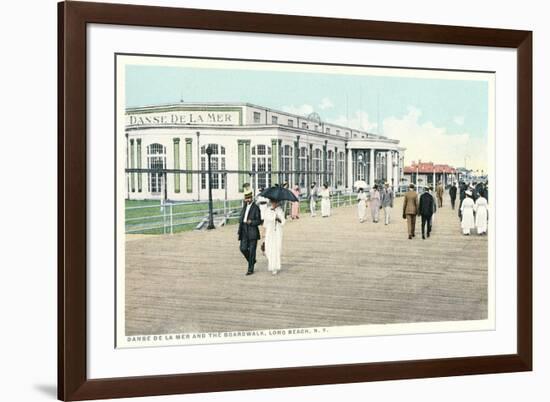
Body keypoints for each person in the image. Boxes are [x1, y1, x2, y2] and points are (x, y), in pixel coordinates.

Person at [238, 190, 262, 275]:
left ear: (252, 198)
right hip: (244, 230)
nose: (247, 200)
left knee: (252, 251)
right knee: (242, 248)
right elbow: (241, 217)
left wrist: (251, 222)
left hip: (252, 231)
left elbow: (259, 221)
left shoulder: (256, 208)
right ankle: (252, 261)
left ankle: (250, 269)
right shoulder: (244, 206)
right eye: (246, 198)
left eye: (249, 198)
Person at [263, 199, 286, 275]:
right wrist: (264, 232)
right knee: (268, 248)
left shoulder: (279, 210)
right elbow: (265, 222)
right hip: (269, 231)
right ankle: (271, 263)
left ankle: (275, 267)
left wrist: (277, 218)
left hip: (277, 232)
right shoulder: (267, 210)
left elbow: (283, 221)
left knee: (276, 249)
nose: (274, 204)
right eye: (272, 202)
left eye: (275, 202)